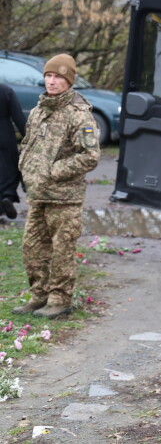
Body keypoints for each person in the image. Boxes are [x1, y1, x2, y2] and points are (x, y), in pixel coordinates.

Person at [13, 54, 99, 318]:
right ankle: (39, 296)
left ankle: (60, 300)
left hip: (64, 198)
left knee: (61, 251)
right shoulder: (40, 110)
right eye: (49, 76)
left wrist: (53, 171)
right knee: (33, 249)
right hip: (38, 195)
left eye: (58, 77)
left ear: (68, 81)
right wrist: (26, 168)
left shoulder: (78, 114)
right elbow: (29, 143)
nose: (52, 81)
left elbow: (90, 156)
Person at [0, 83, 26, 219]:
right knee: (10, 167)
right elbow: (18, 117)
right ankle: (7, 196)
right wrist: (28, 137)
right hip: (5, 133)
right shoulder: (6, 90)